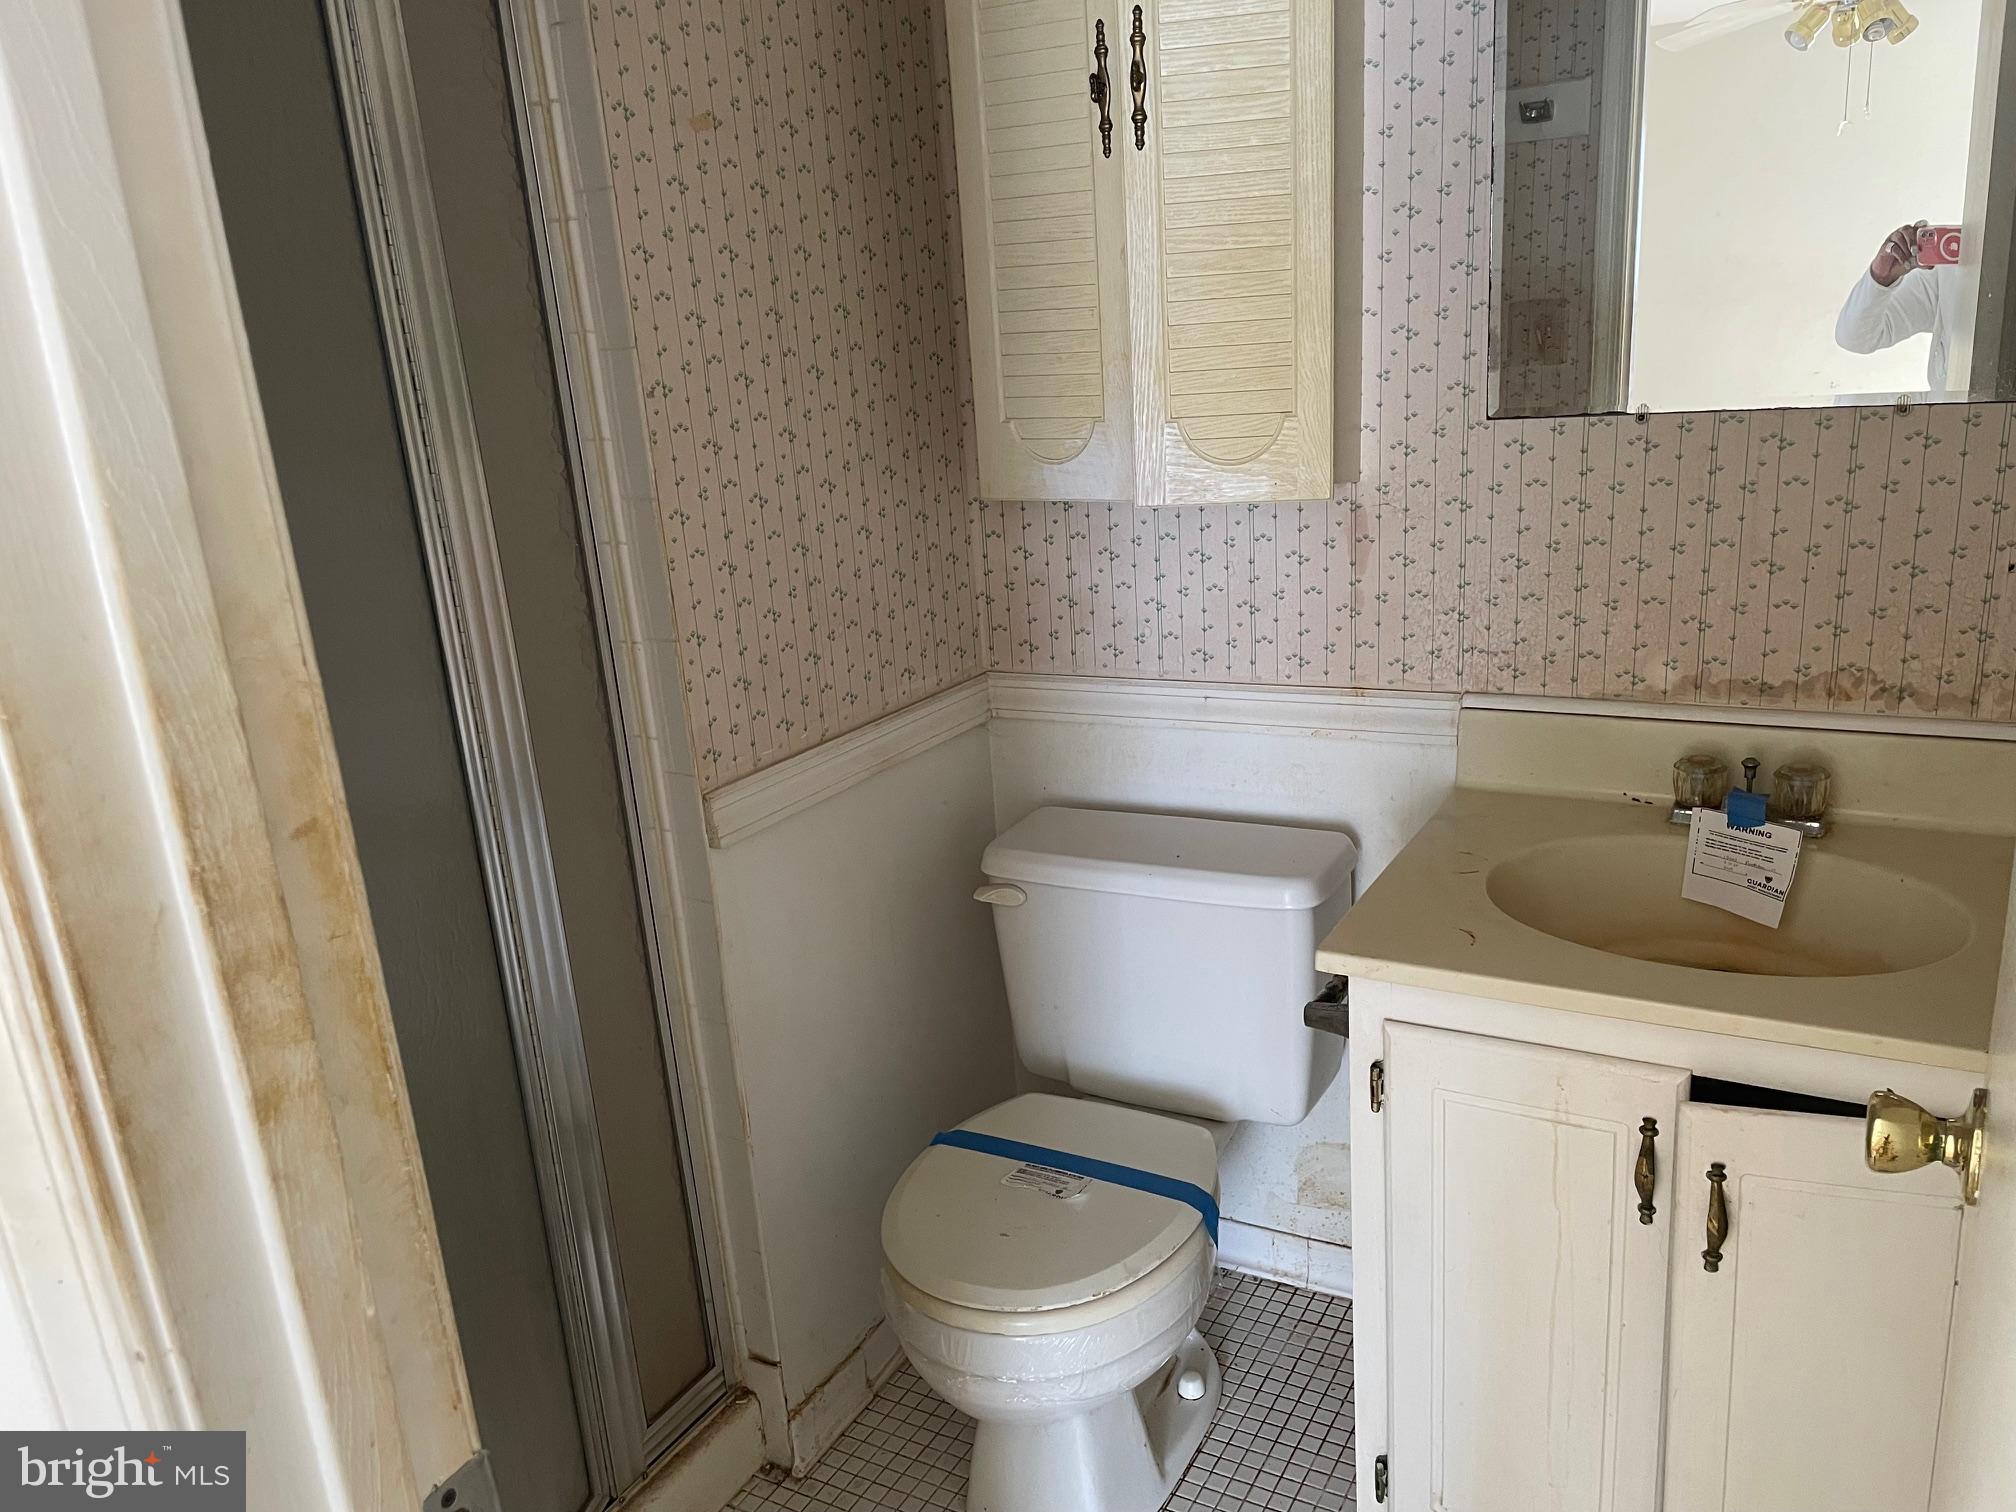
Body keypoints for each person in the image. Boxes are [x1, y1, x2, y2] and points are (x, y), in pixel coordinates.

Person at [1835, 220, 1965, 391]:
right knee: (1847, 403)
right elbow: (1855, 337)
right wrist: (1880, 278)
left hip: (1977, 402)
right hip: (1952, 404)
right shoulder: (1949, 269)